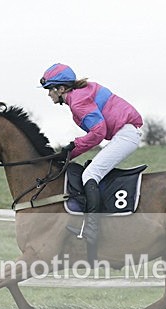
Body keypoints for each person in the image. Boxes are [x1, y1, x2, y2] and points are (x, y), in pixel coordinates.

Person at [39, 63, 143, 263]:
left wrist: (73, 147)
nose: (48, 95)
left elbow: (98, 132)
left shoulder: (78, 101)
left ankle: (92, 231)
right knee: (91, 170)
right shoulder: (80, 94)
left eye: (50, 89)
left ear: (61, 89)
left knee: (89, 175)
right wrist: (70, 153)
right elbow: (98, 133)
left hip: (125, 134)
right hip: (124, 133)